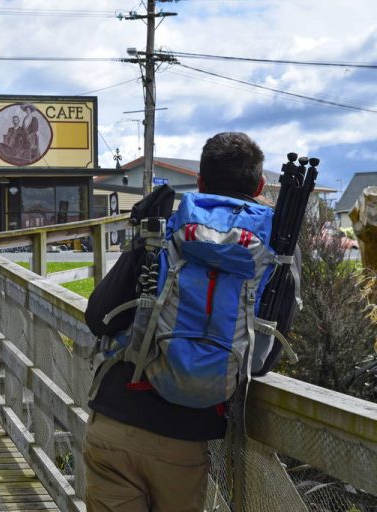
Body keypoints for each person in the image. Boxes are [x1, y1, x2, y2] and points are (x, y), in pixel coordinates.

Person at [83, 132, 297, 512]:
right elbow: (262, 360)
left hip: (117, 418)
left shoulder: (165, 227)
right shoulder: (275, 253)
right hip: (185, 439)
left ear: (199, 182)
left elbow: (99, 317)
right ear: (259, 186)